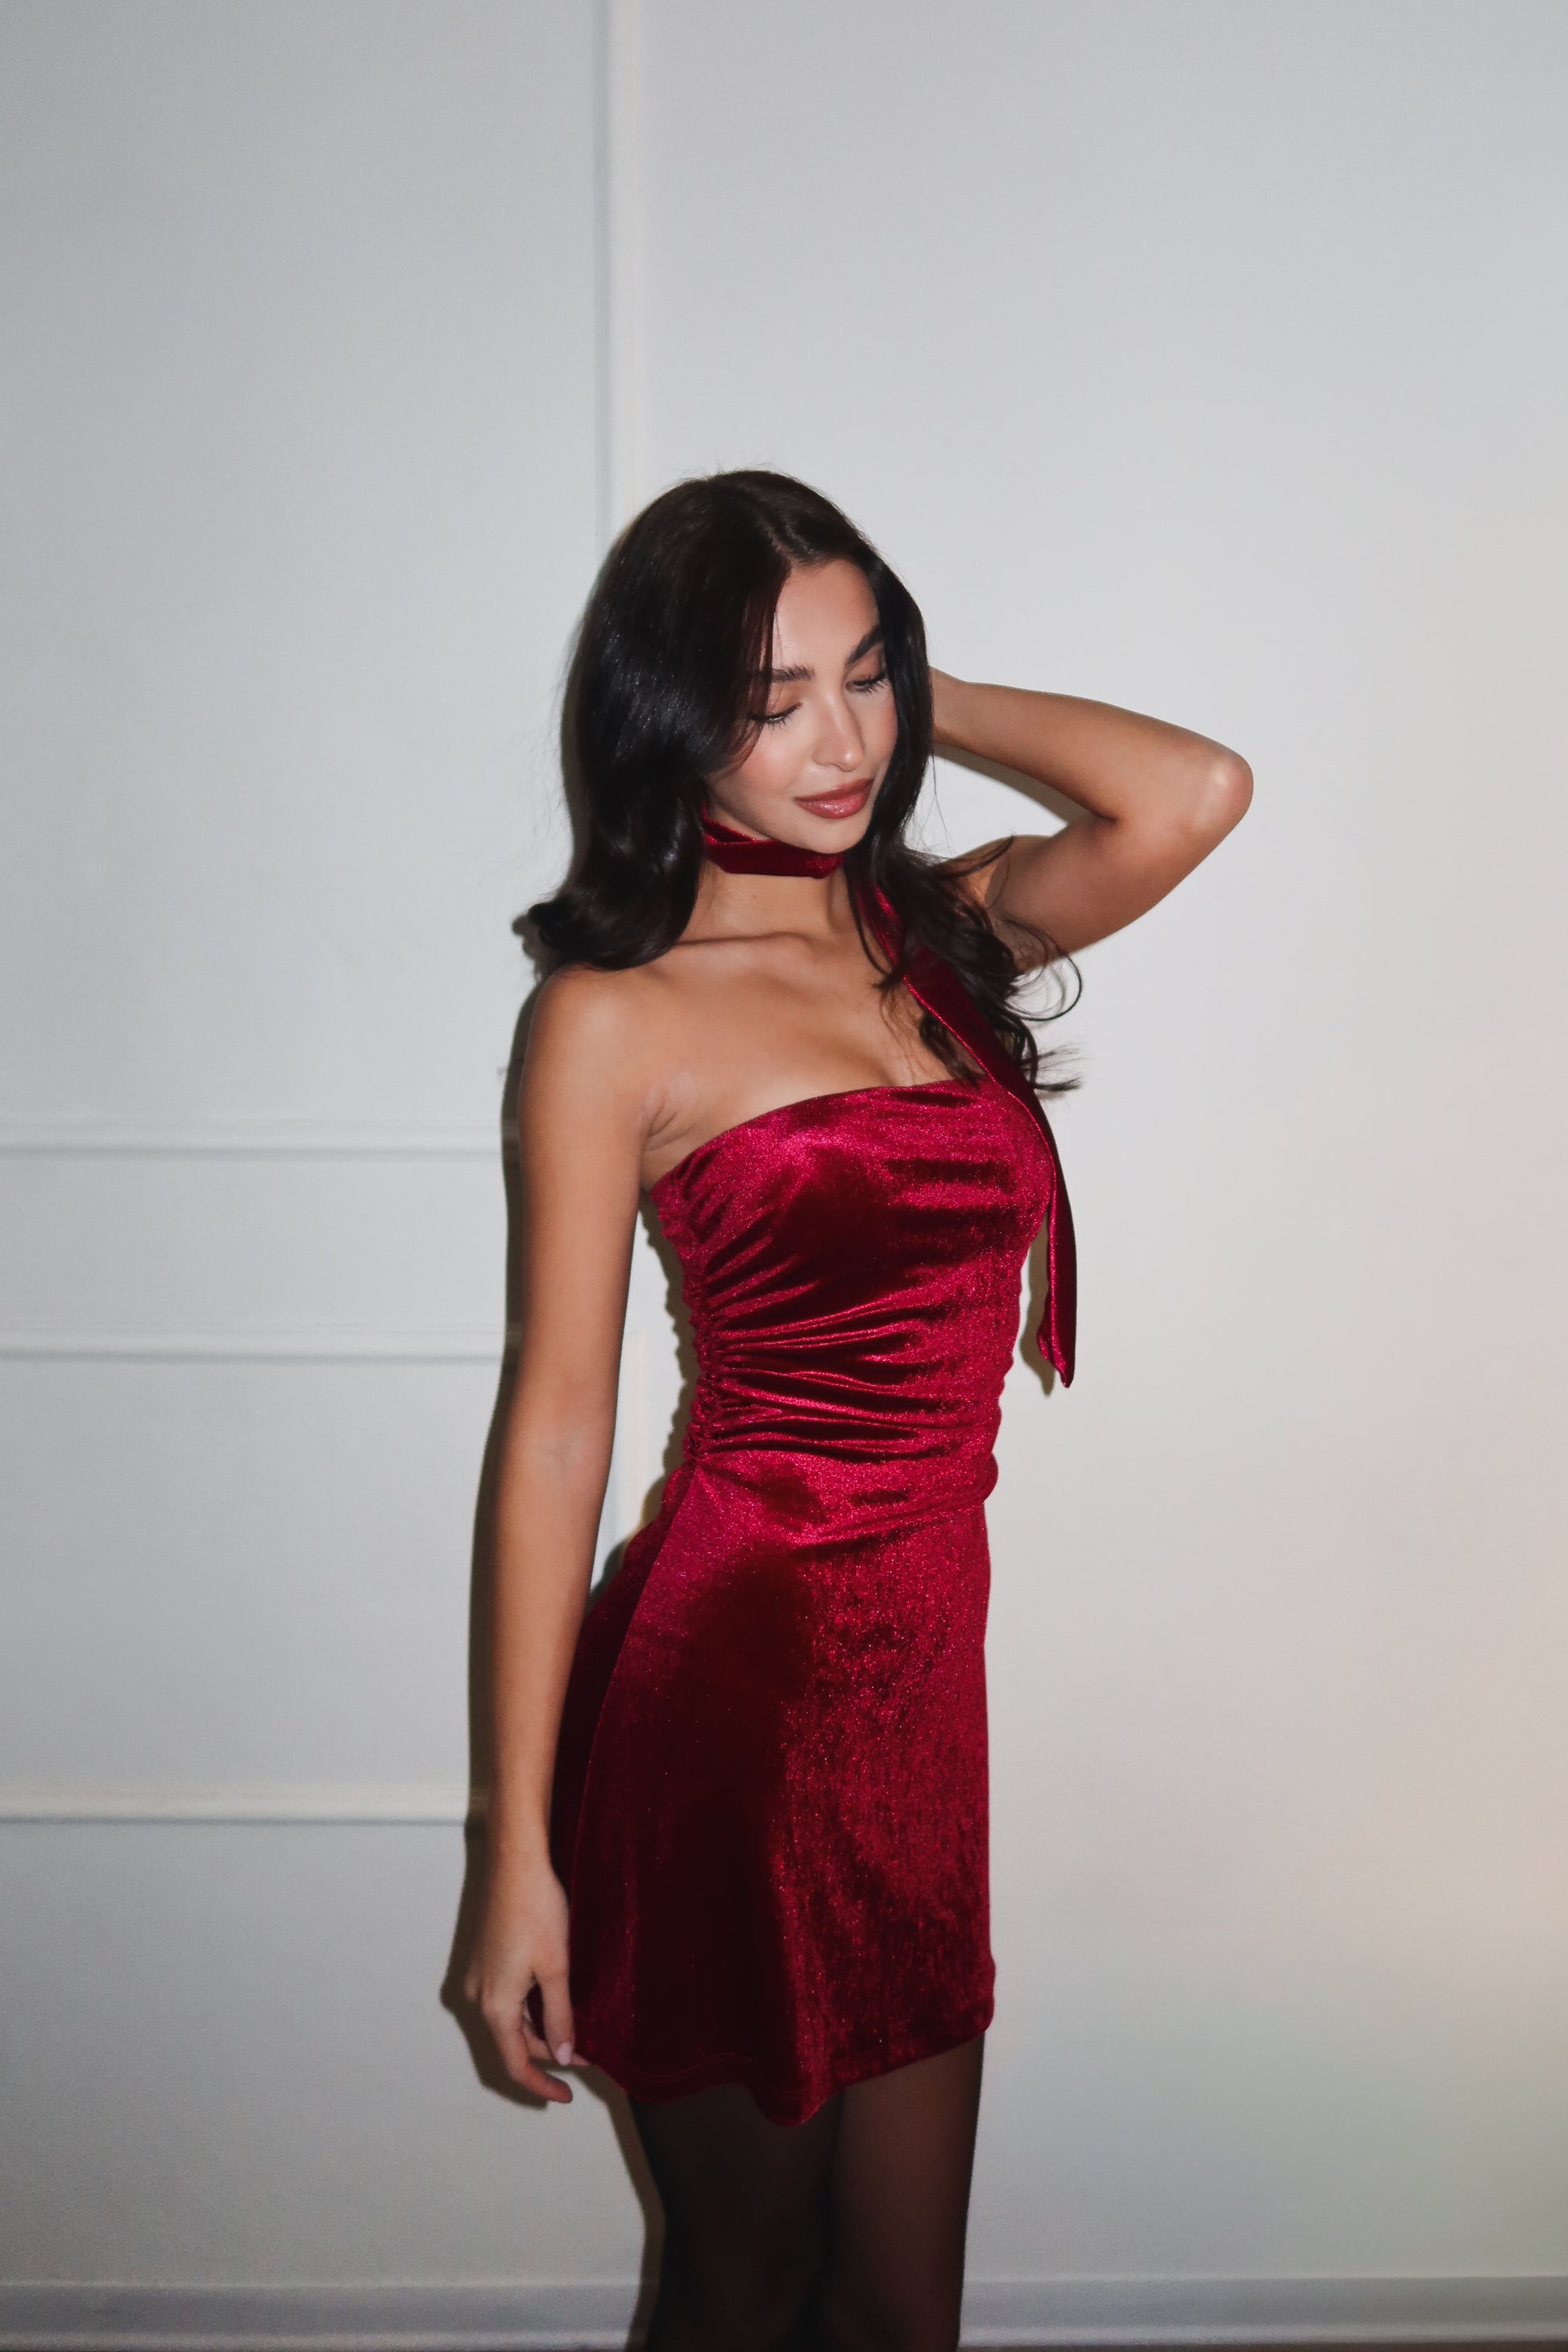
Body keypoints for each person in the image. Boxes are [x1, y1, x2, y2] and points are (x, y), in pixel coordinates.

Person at [464, 471, 1251, 2351]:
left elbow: (1191, 791)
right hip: (722, 1693)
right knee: (739, 2284)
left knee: (901, 2305)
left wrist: (919, 684)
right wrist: (515, 1852)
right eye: (771, 700)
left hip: (913, 1694)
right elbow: (555, 1434)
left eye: (864, 676)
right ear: (672, 721)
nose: (842, 742)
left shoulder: (935, 937)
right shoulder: (613, 1014)